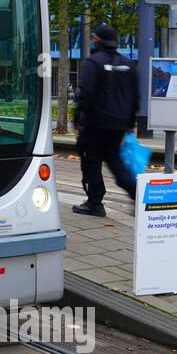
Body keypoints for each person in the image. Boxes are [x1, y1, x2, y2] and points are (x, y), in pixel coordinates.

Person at [72, 23, 139, 217]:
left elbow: (85, 94)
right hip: (118, 125)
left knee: (91, 161)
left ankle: (94, 203)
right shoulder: (128, 64)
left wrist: (78, 119)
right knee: (115, 160)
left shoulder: (93, 63)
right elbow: (135, 97)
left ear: (97, 40)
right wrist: (130, 123)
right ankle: (136, 195)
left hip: (95, 123)